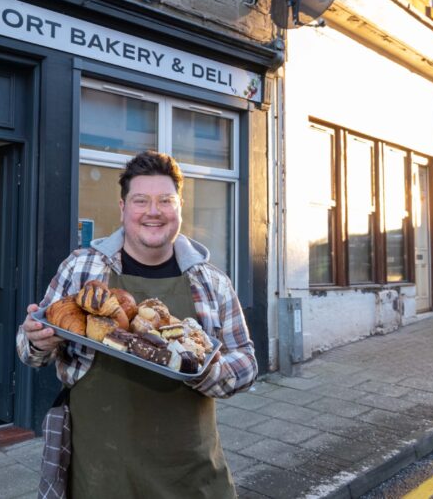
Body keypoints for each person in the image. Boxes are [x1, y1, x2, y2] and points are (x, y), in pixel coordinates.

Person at [17, 150, 257, 498]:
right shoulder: (81, 269)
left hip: (189, 472)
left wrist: (207, 370)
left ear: (179, 206)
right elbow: (28, 352)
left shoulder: (212, 281)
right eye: (141, 200)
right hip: (99, 472)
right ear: (123, 208)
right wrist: (37, 341)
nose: (153, 212)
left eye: (165, 200)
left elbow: (247, 362)